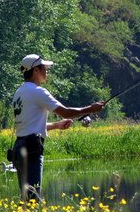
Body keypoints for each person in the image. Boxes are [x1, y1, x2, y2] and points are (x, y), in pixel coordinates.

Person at [10, 54, 105, 202]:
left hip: (18, 148)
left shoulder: (19, 93)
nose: (47, 72)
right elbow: (65, 112)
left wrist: (57, 125)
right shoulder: (38, 92)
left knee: (26, 197)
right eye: (44, 68)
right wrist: (91, 109)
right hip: (32, 149)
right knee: (33, 197)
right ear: (35, 70)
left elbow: (29, 126)